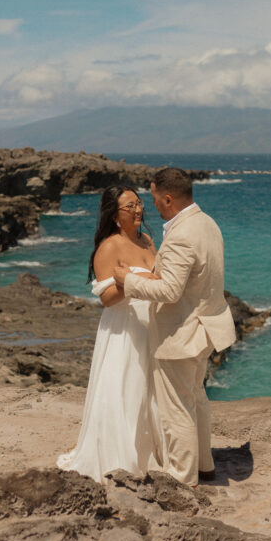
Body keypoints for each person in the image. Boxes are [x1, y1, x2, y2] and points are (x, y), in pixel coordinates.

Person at [113, 167, 236, 487]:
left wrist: (130, 280)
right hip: (207, 326)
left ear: (167, 198)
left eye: (153, 198)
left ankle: (183, 480)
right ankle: (205, 464)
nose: (149, 205)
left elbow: (169, 291)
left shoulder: (181, 235)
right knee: (196, 397)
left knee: (176, 409)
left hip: (182, 334)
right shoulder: (207, 223)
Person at [57, 185, 163, 481]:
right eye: (130, 206)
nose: (138, 210)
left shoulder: (148, 240)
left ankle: (149, 452)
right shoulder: (109, 247)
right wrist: (132, 280)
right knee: (122, 388)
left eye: (139, 203)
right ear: (115, 216)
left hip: (150, 323)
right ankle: (120, 458)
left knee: (148, 390)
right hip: (123, 327)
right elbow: (106, 298)